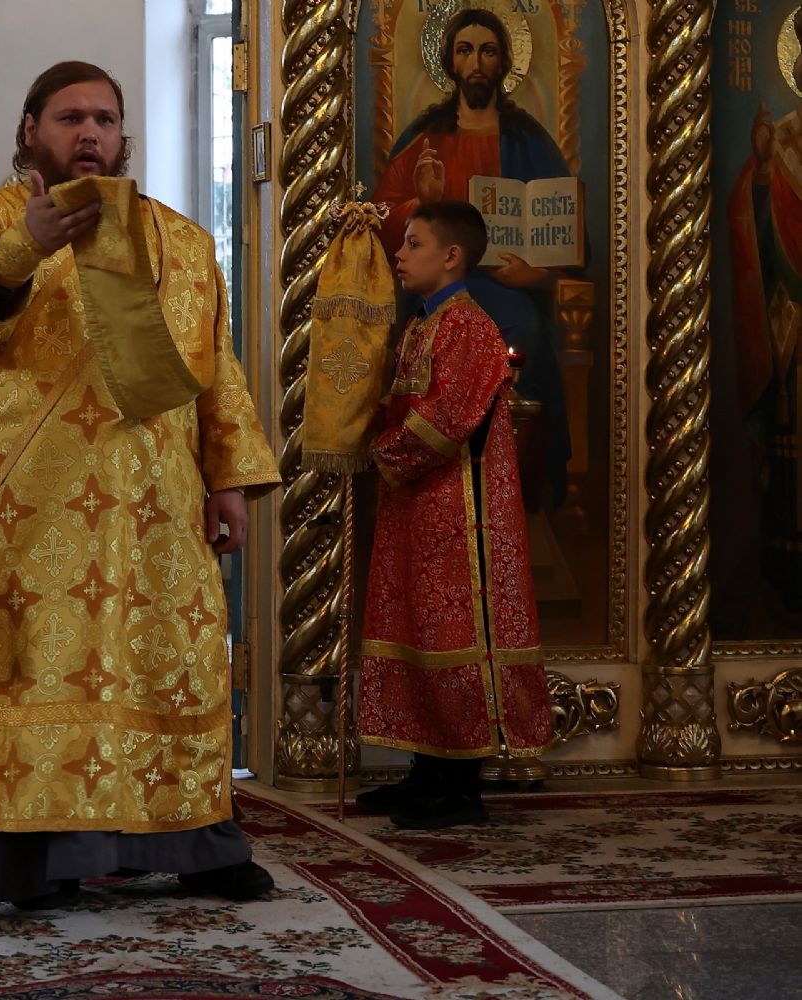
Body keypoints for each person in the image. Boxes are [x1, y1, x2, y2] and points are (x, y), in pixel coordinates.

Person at [0, 61, 281, 908]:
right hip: (30, 508)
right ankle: (31, 863)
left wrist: (228, 479)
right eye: (70, 118)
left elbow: (214, 368)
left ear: (122, 134)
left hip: (157, 507)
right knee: (33, 673)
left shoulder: (182, 240)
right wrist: (27, 244)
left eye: (104, 118)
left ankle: (201, 848)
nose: (90, 133)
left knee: (166, 669)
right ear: (31, 130)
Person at [355, 200, 553, 829]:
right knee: (419, 630)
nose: (399, 254)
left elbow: (444, 421)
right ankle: (426, 771)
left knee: (454, 636)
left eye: (413, 243)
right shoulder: (423, 324)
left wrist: (380, 452)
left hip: (461, 516)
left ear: (451, 255)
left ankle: (460, 785)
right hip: (418, 508)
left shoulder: (468, 326)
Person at [373, 6, 572, 506]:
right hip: (442, 289)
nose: (477, 63)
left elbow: (567, 227)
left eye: (487, 51)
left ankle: (518, 479)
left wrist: (535, 274)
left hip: (510, 287)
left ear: (504, 62)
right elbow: (383, 213)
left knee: (528, 331)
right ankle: (441, 480)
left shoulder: (528, 138)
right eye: (465, 51)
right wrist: (422, 201)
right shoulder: (427, 137)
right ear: (450, 61)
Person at [724, 11, 802, 623]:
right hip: (794, 318)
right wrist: (762, 171)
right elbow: (751, 221)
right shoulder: (784, 141)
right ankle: (788, 570)